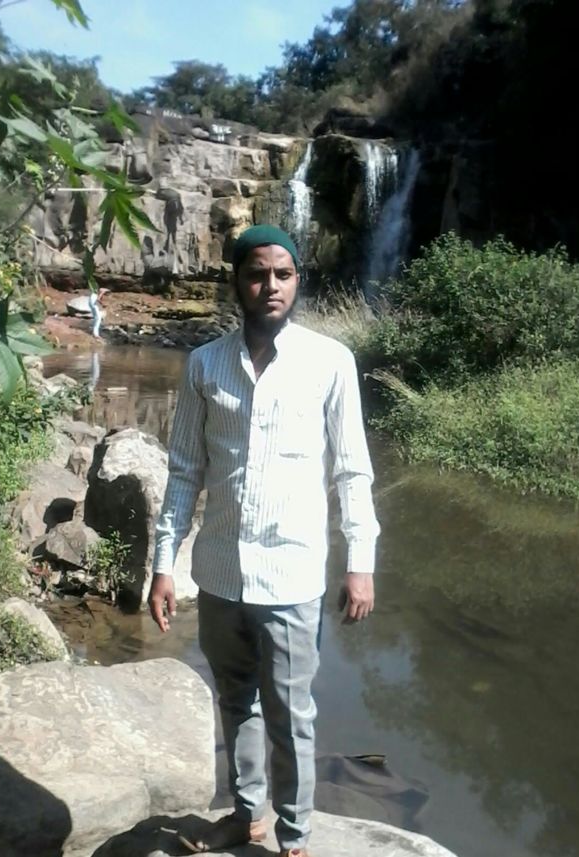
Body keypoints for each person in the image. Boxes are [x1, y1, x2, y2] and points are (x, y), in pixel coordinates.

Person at [148, 224, 380, 857]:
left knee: (291, 712)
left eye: (283, 274)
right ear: (237, 282)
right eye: (256, 274)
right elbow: (183, 472)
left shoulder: (330, 361)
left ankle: (295, 836)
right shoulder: (204, 364)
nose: (270, 285)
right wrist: (164, 564)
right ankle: (246, 813)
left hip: (292, 575)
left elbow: (352, 472)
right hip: (219, 571)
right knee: (235, 700)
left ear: (298, 280)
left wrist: (360, 561)